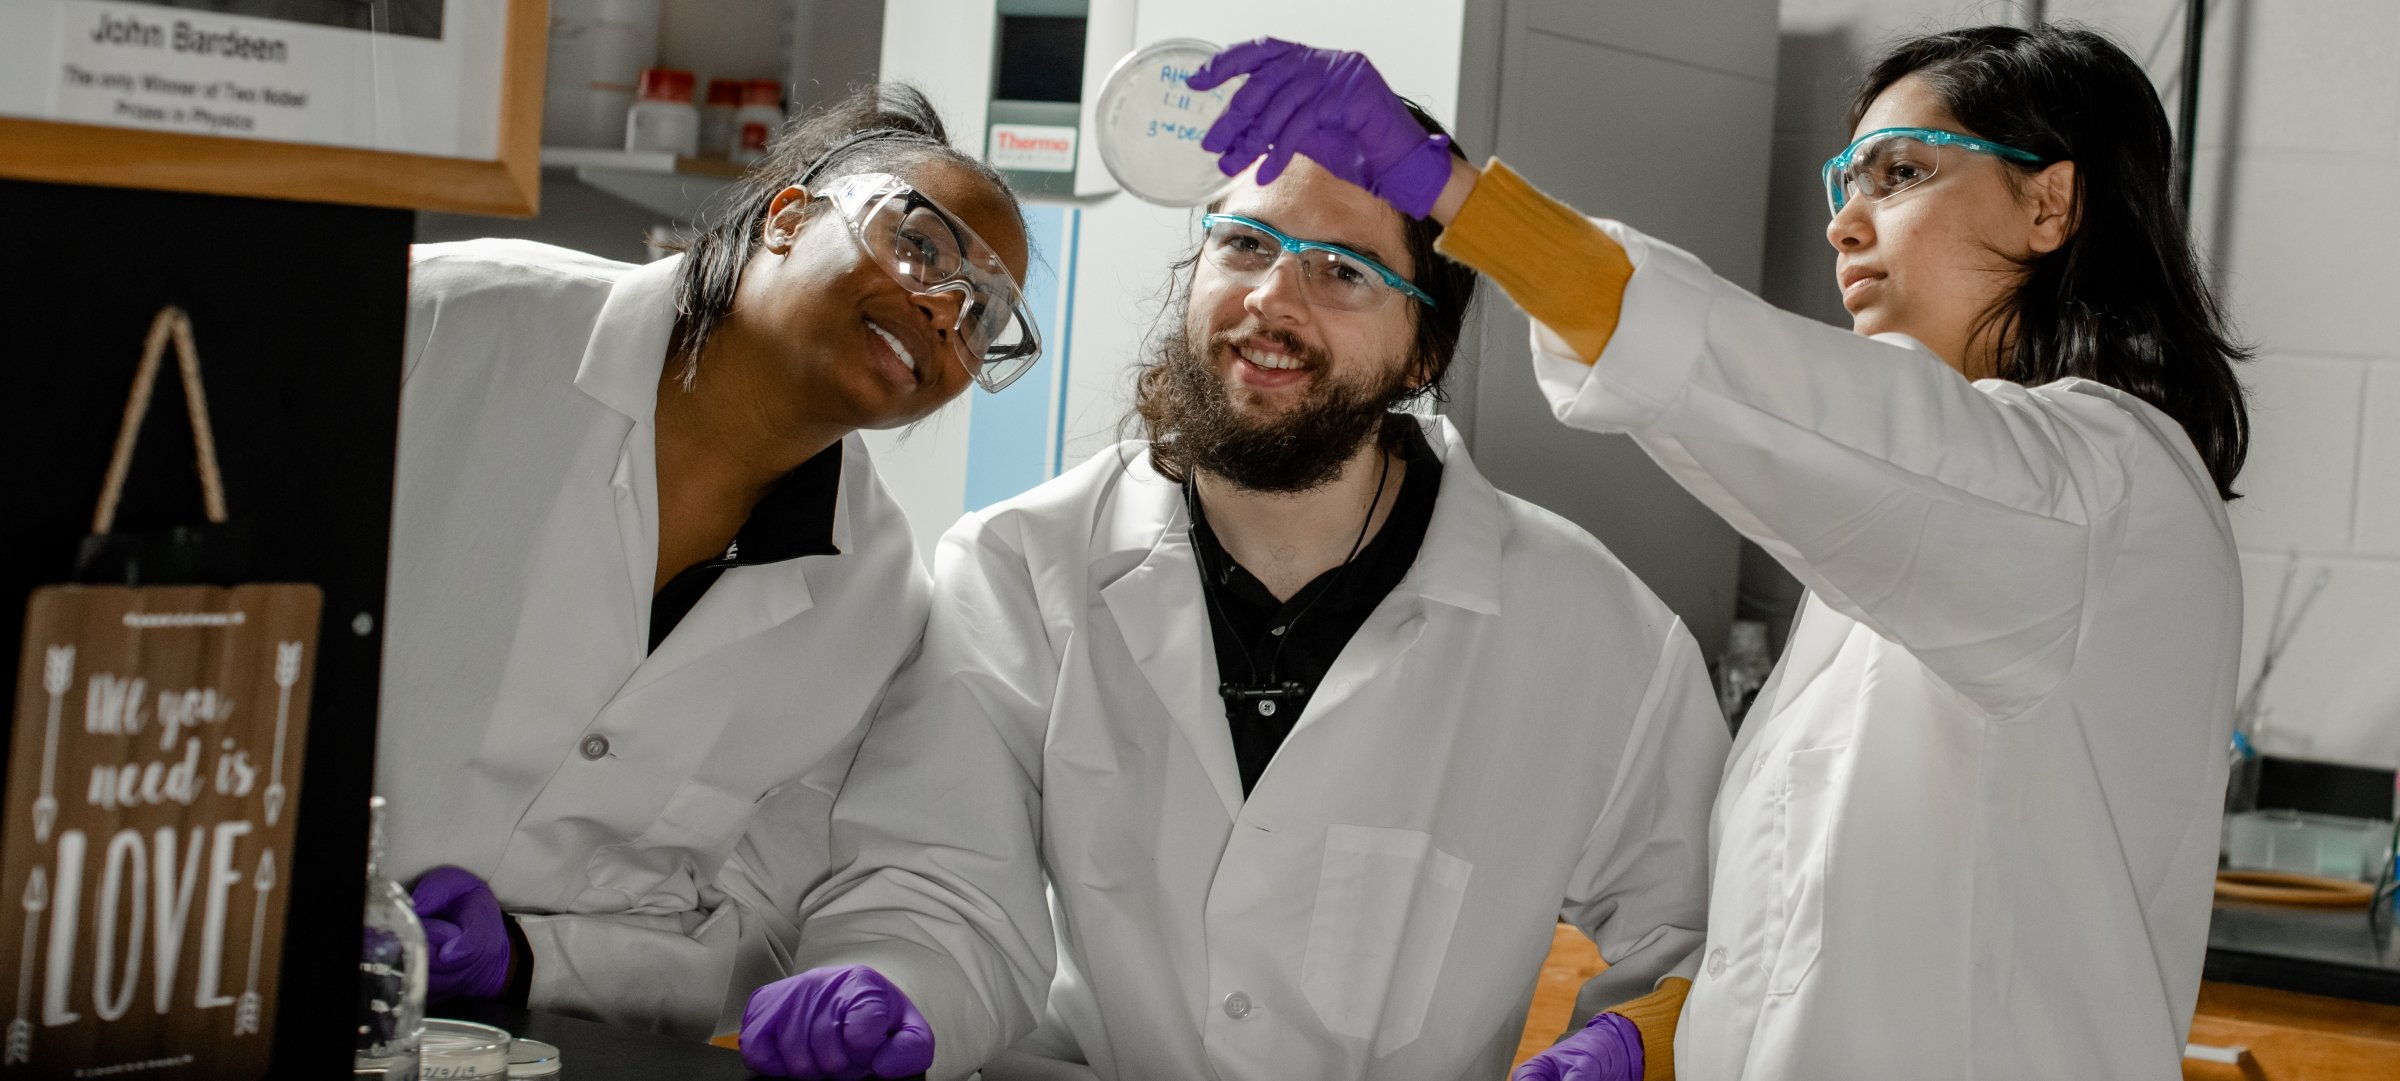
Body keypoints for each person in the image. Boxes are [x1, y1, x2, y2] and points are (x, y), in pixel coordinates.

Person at [1189, 23, 2250, 1081]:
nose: (1844, 222)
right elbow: (1837, 939)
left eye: (1901, 172)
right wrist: (1657, 1037)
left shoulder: (2098, 490)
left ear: (2049, 202)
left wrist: (1459, 198)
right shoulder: (1929, 539)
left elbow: (1737, 374)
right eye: (1846, 179)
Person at [735, 104, 1730, 1081]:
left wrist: (1643, 1043)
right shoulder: (1020, 567)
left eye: (1342, 271)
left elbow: (1716, 939)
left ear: (1426, 351)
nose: (1270, 299)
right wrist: (894, 984)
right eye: (1245, 244)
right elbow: (941, 883)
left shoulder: (1591, 630)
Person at [376, 84, 1041, 1038]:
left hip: (526, 1045)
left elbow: (757, 920)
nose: (945, 307)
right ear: (786, 214)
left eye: (983, 313)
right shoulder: (448, 320)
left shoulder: (877, 600)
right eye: (921, 245)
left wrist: (528, 955)